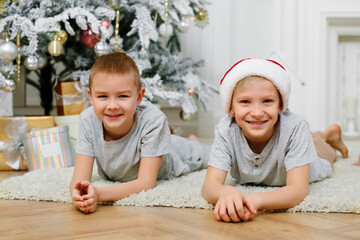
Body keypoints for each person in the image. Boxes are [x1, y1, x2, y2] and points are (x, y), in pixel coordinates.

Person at [201, 58, 350, 223]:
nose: (257, 113)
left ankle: (328, 136)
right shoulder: (226, 130)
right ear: (231, 108)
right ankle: (326, 133)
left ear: (280, 106)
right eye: (245, 102)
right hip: (291, 137)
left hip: (313, 154)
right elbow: (209, 186)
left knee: (323, 149)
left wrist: (254, 200)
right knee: (311, 137)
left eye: (267, 101)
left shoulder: (296, 128)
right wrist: (224, 192)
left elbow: (298, 190)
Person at [69, 52, 209, 213]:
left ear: (139, 96)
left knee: (206, 156)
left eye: (122, 96)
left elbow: (146, 183)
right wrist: (79, 193)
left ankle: (194, 142)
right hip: (154, 146)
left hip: (176, 154)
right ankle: (192, 140)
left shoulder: (153, 120)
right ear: (91, 97)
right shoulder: (88, 120)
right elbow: (79, 179)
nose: (112, 105)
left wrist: (99, 193)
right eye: (102, 96)